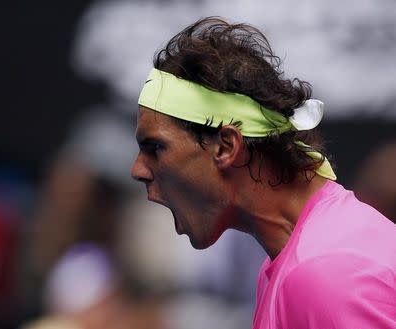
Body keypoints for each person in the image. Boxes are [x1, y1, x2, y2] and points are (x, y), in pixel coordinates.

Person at [130, 17, 396, 329]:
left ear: (226, 147)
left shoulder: (325, 272)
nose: (138, 170)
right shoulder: (298, 262)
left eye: (155, 147)